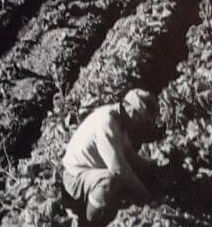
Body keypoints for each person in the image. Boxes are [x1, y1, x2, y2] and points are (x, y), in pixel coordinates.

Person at [62, 89, 160, 226]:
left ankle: (102, 207)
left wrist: (153, 167)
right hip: (76, 176)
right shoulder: (107, 123)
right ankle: (90, 221)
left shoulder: (119, 119)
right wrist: (144, 196)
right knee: (110, 180)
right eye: (142, 121)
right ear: (132, 112)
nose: (141, 126)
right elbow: (118, 168)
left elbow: (129, 155)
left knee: (126, 180)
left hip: (92, 169)